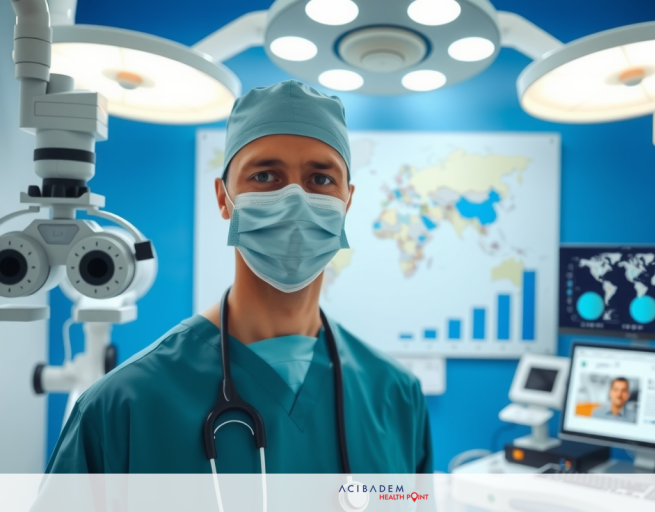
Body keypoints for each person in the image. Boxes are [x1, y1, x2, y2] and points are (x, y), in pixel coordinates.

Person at [45, 80, 433, 473]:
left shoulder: (396, 398)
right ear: (222, 198)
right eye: (265, 176)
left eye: (321, 179)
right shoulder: (123, 406)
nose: (295, 200)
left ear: (347, 200)